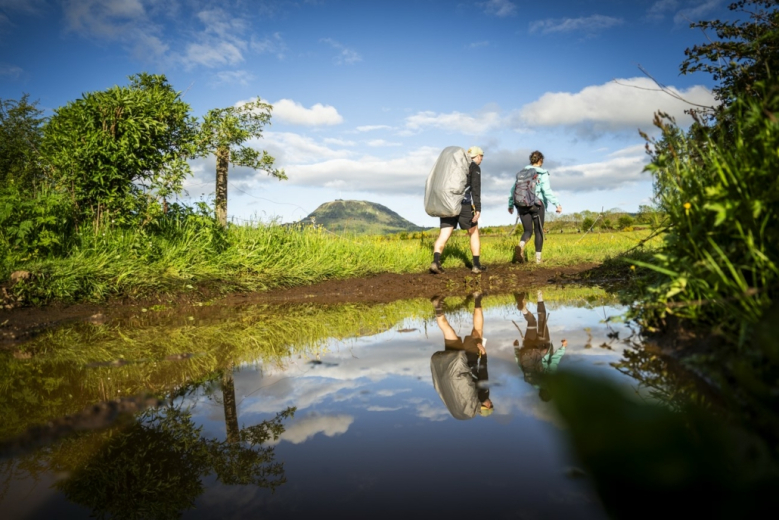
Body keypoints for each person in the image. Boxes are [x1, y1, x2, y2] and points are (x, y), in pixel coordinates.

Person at [429, 292, 493, 419]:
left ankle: (477, 298)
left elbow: (482, 373)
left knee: (477, 331)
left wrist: (484, 355)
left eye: (491, 405)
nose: (491, 402)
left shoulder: (483, 395)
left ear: (486, 406)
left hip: (470, 359)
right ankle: (437, 306)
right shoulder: (466, 403)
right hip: (452, 361)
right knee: (448, 332)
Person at [430, 146, 486, 275]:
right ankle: (476, 265)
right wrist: (478, 208)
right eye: (481, 157)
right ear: (477, 156)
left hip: (447, 203)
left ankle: (435, 262)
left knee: (444, 234)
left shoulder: (453, 166)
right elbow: (475, 189)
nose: (481, 159)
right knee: (474, 232)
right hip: (464, 204)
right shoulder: (474, 167)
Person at [508, 150, 562, 264]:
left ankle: (520, 245)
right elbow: (546, 191)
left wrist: (510, 204)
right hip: (536, 204)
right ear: (540, 160)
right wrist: (557, 204)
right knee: (539, 231)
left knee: (527, 230)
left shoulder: (522, 172)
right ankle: (538, 260)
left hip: (521, 204)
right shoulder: (542, 173)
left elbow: (513, 189)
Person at [513, 291, 567, 402]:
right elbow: (520, 363)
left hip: (543, 346)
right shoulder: (529, 380)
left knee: (542, 319)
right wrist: (516, 349)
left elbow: (554, 361)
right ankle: (523, 309)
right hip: (528, 348)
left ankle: (539, 294)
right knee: (532, 322)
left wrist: (563, 347)